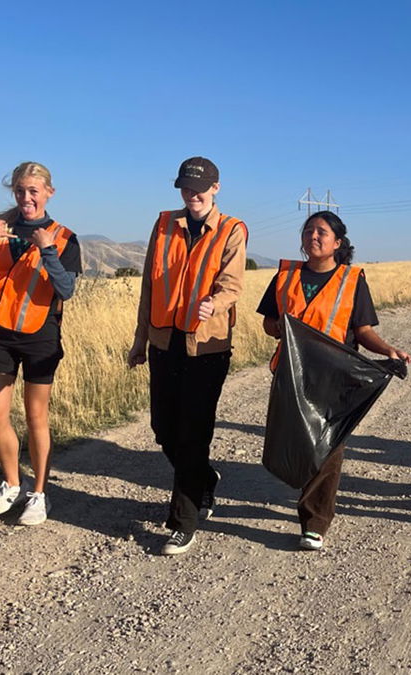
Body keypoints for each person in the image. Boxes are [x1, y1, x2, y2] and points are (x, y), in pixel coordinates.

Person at [258, 210, 410, 551]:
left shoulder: (352, 280)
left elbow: (364, 331)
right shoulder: (285, 275)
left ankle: (315, 520)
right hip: (291, 372)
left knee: (328, 445)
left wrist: (389, 350)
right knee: (295, 441)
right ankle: (301, 490)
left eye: (321, 231)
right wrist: (280, 328)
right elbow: (269, 323)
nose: (313, 235)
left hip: (334, 376)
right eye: (308, 230)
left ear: (336, 242)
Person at [127, 157, 247, 555]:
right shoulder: (164, 224)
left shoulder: (231, 229)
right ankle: (203, 479)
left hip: (207, 346)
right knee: (164, 427)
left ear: (216, 188)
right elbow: (149, 285)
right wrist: (139, 340)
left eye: (200, 188)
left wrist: (216, 302)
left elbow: (233, 283)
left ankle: (184, 521)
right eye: (185, 187)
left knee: (193, 431)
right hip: (164, 341)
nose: (192, 195)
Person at [0, 161, 81, 526]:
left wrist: (48, 251)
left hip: (41, 336)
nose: (27, 197)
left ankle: (39, 495)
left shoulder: (64, 237)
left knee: (35, 416)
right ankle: (11, 483)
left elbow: (66, 289)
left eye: (33, 190)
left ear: (48, 193)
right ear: (14, 192)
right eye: (20, 191)